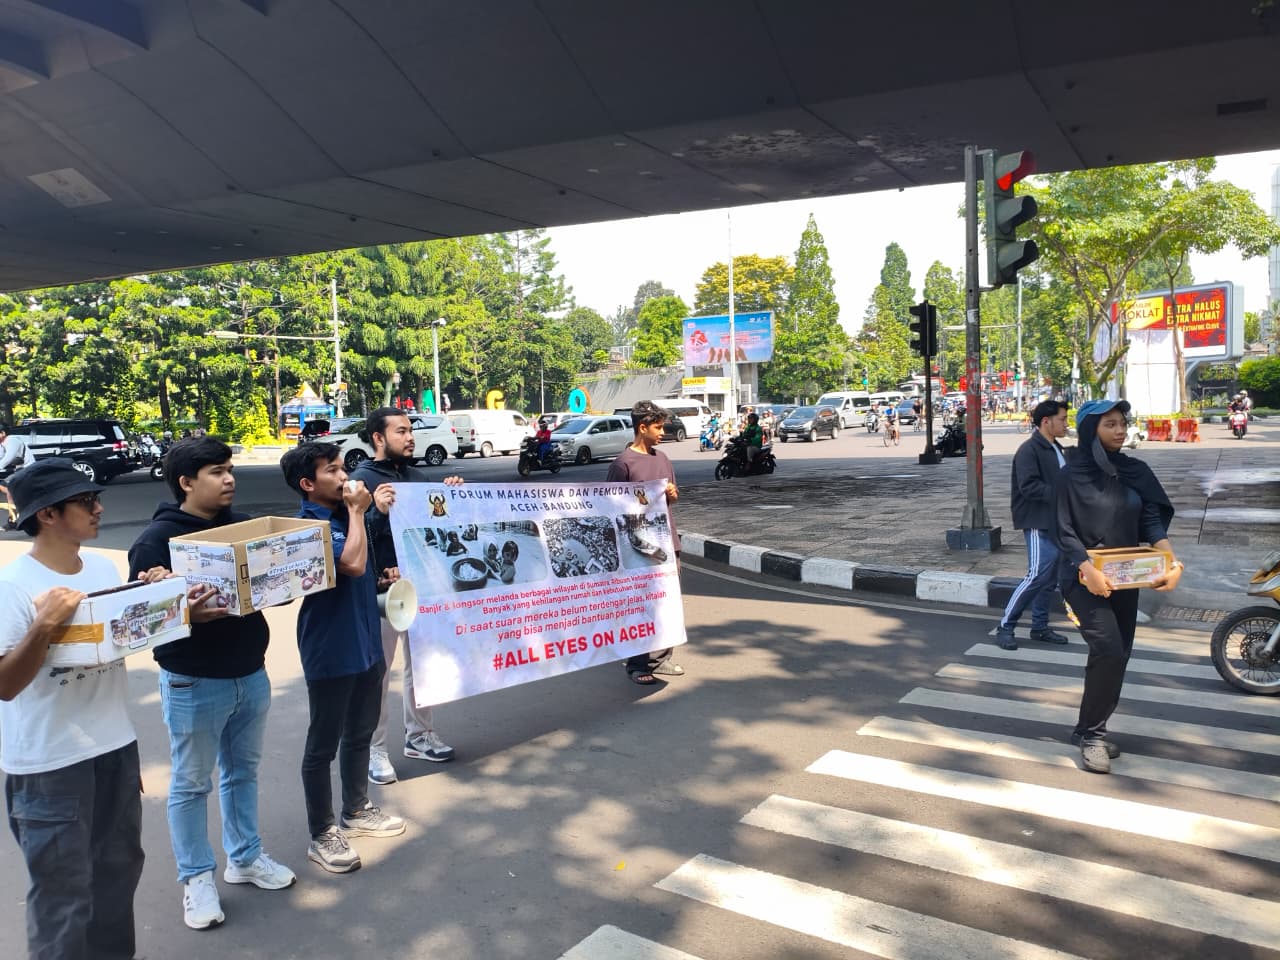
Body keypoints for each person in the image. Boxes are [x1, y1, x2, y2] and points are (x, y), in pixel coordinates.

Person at [0, 459, 170, 959]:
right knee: (62, 898)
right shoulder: (13, 586)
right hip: (48, 766)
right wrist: (44, 625)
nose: (99, 508)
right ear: (48, 514)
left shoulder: (100, 568)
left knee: (118, 879)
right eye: (85, 502)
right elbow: (6, 686)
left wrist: (156, 594)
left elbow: (114, 643)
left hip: (114, 749)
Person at [127, 437, 295, 931]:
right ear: (186, 482)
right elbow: (140, 621)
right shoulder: (156, 541)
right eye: (218, 472)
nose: (230, 480)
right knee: (190, 783)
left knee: (242, 773)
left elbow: (269, 586)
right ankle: (196, 879)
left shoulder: (241, 527)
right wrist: (178, 605)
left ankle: (244, 858)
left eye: (229, 470)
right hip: (193, 681)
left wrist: (284, 582)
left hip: (252, 671)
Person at [280, 443, 406, 873]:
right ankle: (323, 833)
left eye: (342, 467)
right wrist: (357, 512)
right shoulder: (306, 526)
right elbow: (350, 564)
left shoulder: (341, 517)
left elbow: (361, 575)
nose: (344, 476)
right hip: (331, 649)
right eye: (332, 470)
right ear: (308, 484)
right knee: (323, 745)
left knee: (361, 732)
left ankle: (357, 809)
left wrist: (384, 577)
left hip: (366, 640)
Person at [1056, 399, 1182, 774]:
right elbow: (1062, 531)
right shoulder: (1069, 476)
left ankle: (1087, 727)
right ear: (1091, 429)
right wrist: (1087, 569)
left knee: (1119, 654)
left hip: (1126, 577)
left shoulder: (1134, 471)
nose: (1120, 430)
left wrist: (1171, 563)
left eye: (1122, 423)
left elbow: (1151, 523)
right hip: (1083, 578)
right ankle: (1094, 736)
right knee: (1108, 649)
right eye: (1110, 424)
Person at [348, 408, 458, 786]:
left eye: (411, 431)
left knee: (423, 665)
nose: (411, 437)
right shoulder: (361, 481)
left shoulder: (418, 477)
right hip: (382, 593)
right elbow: (352, 537)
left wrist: (452, 496)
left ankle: (420, 735)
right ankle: (374, 749)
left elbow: (436, 528)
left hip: (422, 586)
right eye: (402, 431)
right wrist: (375, 511)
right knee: (379, 673)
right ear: (379, 438)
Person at [607, 400, 684, 685]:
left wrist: (672, 494)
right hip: (635, 544)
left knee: (667, 602)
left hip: (666, 542)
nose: (663, 432)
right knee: (640, 605)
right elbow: (611, 505)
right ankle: (637, 664)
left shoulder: (662, 458)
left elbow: (672, 498)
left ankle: (661, 658)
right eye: (658, 427)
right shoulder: (623, 464)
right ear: (642, 427)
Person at [995, 400, 1071, 650]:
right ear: (1046, 421)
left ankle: (1039, 627)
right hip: (1039, 521)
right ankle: (1006, 625)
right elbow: (1029, 487)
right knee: (1036, 575)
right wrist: (1063, 494)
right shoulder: (1030, 450)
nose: (1066, 423)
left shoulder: (1056, 448)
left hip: (1057, 521)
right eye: (1062, 418)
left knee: (1050, 579)